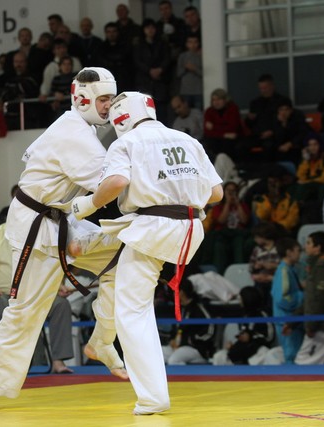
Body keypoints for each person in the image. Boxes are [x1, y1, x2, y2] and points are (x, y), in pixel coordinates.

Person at [0, 67, 128, 413]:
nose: (109, 106)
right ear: (83, 99)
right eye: (104, 99)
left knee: (125, 255)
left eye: (111, 99)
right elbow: (113, 185)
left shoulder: (79, 127)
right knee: (26, 310)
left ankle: (102, 341)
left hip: (65, 221)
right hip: (38, 226)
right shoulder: (75, 135)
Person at [70, 91, 223, 414]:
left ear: (121, 118)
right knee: (121, 277)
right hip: (190, 227)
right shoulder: (188, 140)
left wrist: (89, 204)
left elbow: (116, 181)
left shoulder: (127, 143)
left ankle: (153, 396)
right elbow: (216, 193)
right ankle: (101, 341)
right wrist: (177, 191)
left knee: (133, 310)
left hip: (154, 226)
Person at [0, 223, 75, 373]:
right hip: (4, 295)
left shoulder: (38, 236)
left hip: (35, 296)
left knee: (60, 304)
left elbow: (48, 267)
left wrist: (57, 286)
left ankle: (58, 361)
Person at [292, 232, 324, 364]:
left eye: (309, 243)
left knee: (302, 363)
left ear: (318, 247)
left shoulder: (323, 268)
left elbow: (321, 299)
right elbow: (310, 300)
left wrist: (311, 325)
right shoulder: (316, 267)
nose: (305, 246)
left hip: (323, 327)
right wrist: (292, 321)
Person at [162, 279, 215, 365]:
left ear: (181, 292)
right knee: (157, 354)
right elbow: (176, 329)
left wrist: (192, 340)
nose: (173, 294)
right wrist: (172, 339)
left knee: (173, 360)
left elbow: (210, 328)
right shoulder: (179, 308)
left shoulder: (198, 308)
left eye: (175, 291)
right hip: (178, 347)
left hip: (195, 348)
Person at [271, 237, 304, 364]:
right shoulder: (283, 271)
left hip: (291, 321)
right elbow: (282, 298)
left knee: (295, 355)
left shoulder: (290, 269)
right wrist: (302, 296)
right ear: (289, 252)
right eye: (297, 250)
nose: (300, 254)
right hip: (286, 321)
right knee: (292, 355)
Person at [176, 34, 203, 110]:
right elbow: (178, 74)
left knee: (198, 112)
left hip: (198, 91)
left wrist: (195, 69)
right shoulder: (182, 56)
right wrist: (186, 68)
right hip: (185, 91)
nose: (193, 45)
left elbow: (205, 74)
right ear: (187, 44)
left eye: (195, 42)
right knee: (185, 112)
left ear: (198, 43)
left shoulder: (201, 55)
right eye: (190, 42)